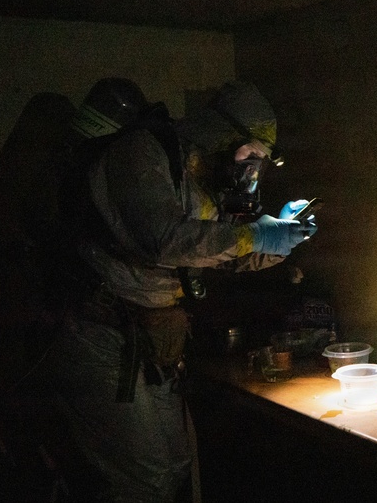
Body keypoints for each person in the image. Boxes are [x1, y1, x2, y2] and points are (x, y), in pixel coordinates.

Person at [45, 79, 316, 502]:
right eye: (251, 152)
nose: (253, 167)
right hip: (99, 334)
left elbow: (220, 251)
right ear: (221, 135)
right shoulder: (141, 154)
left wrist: (282, 238)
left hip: (149, 339)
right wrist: (253, 236)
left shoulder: (202, 175)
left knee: (174, 465)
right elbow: (165, 240)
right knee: (143, 478)